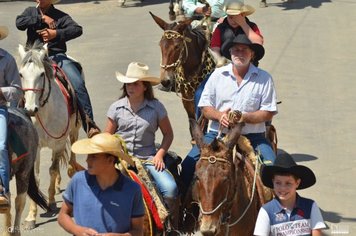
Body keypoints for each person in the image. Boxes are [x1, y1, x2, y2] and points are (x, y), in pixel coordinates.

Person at [181, 33, 277, 192]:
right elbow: (205, 107)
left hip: (253, 137)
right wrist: (220, 116)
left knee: (273, 170)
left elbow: (267, 113)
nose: (240, 53)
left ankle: (274, 213)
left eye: (244, 50)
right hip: (217, 135)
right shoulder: (217, 75)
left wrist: (244, 117)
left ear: (252, 54)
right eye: (236, 50)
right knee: (187, 166)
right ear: (230, 53)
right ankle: (185, 212)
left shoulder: (264, 78)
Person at [105, 62, 179, 232]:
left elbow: (168, 134)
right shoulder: (116, 108)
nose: (131, 87)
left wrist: (159, 155)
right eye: (128, 83)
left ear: (145, 87)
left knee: (170, 189)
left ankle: (171, 228)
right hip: (121, 160)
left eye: (135, 83)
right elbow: (107, 137)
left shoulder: (156, 107)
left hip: (148, 160)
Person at [16, 0, 99, 137]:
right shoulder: (30, 12)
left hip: (55, 55)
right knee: (17, 84)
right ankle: (14, 127)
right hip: (33, 58)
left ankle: (89, 123)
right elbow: (19, 23)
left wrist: (55, 33)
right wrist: (41, 18)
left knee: (77, 82)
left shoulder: (61, 16)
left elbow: (77, 29)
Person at [58, 132, 145, 235]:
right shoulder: (78, 181)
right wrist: (79, 231)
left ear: (110, 160)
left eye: (93, 156)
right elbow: (62, 216)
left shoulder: (132, 190)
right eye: (88, 155)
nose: (87, 160)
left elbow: (138, 230)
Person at [254, 153, 326, 236]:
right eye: (278, 183)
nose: (283, 188)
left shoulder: (310, 206)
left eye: (288, 183)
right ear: (273, 182)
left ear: (297, 183)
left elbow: (317, 233)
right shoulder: (266, 211)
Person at [0, 26, 23, 208]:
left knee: (0, 147)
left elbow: (17, 90)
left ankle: (2, 189)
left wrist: (1, 91)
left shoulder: (6, 59)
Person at [210, 0, 263, 67]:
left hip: (248, 64)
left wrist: (243, 24)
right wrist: (219, 59)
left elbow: (259, 43)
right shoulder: (220, 28)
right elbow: (215, 46)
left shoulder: (251, 26)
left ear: (243, 15)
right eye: (231, 17)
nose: (234, 21)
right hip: (227, 64)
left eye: (237, 17)